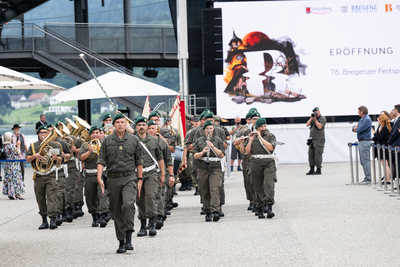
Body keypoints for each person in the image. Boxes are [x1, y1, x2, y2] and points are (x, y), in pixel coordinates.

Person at [97, 113, 143, 253]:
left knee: (128, 204)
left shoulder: (134, 140)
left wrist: (140, 179)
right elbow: (101, 160)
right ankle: (121, 241)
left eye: (123, 122)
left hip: (130, 178)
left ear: (126, 124)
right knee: (116, 210)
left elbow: (139, 161)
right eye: (118, 122)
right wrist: (99, 177)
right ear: (113, 125)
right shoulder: (107, 141)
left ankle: (129, 235)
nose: (120, 124)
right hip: (113, 179)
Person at [27, 125, 63, 230]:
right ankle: (44, 220)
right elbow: (28, 159)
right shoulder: (33, 146)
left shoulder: (53, 145)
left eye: (45, 132)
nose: (43, 134)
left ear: (48, 133)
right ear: (38, 134)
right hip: (39, 175)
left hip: (50, 174)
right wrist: (35, 156)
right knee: (40, 198)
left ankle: (52, 219)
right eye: (41, 132)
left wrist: (56, 158)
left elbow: (60, 159)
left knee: (52, 197)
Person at [135, 116, 165, 238]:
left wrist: (162, 173)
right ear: (136, 127)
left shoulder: (154, 141)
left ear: (147, 127)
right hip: (137, 174)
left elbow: (160, 158)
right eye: (139, 125)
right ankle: (143, 226)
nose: (141, 127)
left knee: (151, 196)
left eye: (143, 125)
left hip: (152, 172)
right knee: (140, 199)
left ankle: (151, 224)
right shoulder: (133, 140)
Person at [245, 118, 277, 219]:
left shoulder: (270, 135)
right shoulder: (251, 136)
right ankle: (259, 207)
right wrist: (250, 141)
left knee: (269, 184)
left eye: (264, 126)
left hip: (268, 162)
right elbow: (247, 151)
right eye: (261, 127)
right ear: (257, 128)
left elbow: (271, 148)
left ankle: (269, 207)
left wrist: (260, 138)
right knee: (257, 185)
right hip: (256, 162)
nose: (263, 128)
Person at [193, 121, 225, 222]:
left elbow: (222, 154)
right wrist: (203, 152)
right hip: (203, 167)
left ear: (213, 129)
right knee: (204, 190)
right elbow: (195, 156)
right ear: (204, 130)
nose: (209, 130)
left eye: (210, 128)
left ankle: (215, 211)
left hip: (215, 167)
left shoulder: (218, 140)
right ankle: (207, 211)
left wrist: (213, 147)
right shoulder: (199, 141)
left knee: (214, 188)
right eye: (207, 129)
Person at [79, 125, 109, 228]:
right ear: (90, 135)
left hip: (103, 174)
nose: (95, 135)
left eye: (97, 133)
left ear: (100, 134)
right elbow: (81, 158)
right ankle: (95, 217)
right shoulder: (85, 145)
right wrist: (89, 151)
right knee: (90, 197)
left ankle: (102, 216)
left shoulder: (106, 144)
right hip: (89, 174)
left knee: (103, 195)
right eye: (93, 133)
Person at [147, 120, 174, 229]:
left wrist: (171, 175)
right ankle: (150, 217)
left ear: (156, 129)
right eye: (149, 128)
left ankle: (158, 215)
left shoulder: (162, 142)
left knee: (159, 194)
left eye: (153, 128)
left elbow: (168, 159)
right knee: (148, 196)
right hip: (147, 173)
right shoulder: (140, 142)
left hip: (160, 172)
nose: (151, 130)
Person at [352, 105, 372, 185]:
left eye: (358, 111)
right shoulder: (362, 119)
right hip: (361, 141)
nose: (358, 112)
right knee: (362, 161)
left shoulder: (366, 119)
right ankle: (366, 177)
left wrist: (356, 128)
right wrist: (355, 128)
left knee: (365, 160)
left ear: (362, 111)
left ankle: (368, 178)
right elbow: (354, 128)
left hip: (365, 141)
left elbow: (358, 129)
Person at [2, 132, 24, 200]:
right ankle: (17, 193)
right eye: (11, 136)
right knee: (16, 178)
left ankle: (10, 193)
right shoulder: (11, 145)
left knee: (9, 179)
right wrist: (18, 145)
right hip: (14, 164)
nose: (12, 138)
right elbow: (18, 153)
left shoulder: (5, 146)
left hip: (8, 164)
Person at [306, 107, 326, 175]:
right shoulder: (313, 118)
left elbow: (320, 126)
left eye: (316, 112)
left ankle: (318, 169)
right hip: (312, 139)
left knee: (318, 154)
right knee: (311, 154)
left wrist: (315, 120)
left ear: (319, 112)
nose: (315, 113)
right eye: (314, 112)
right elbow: (307, 124)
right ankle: (311, 169)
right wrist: (311, 118)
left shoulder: (322, 118)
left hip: (319, 139)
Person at [372, 113, 391, 183]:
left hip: (383, 147)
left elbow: (380, 137)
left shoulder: (385, 128)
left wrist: (374, 133)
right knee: (384, 164)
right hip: (380, 146)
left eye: (379, 119)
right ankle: (387, 179)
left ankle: (387, 180)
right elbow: (378, 137)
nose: (378, 120)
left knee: (385, 164)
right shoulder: (381, 127)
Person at [387, 105, 400, 181]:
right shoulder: (397, 120)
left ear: (396, 110)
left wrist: (389, 141)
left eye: (393, 109)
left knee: (398, 163)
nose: (392, 111)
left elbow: (395, 133)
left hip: (397, 145)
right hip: (395, 145)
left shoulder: (399, 120)